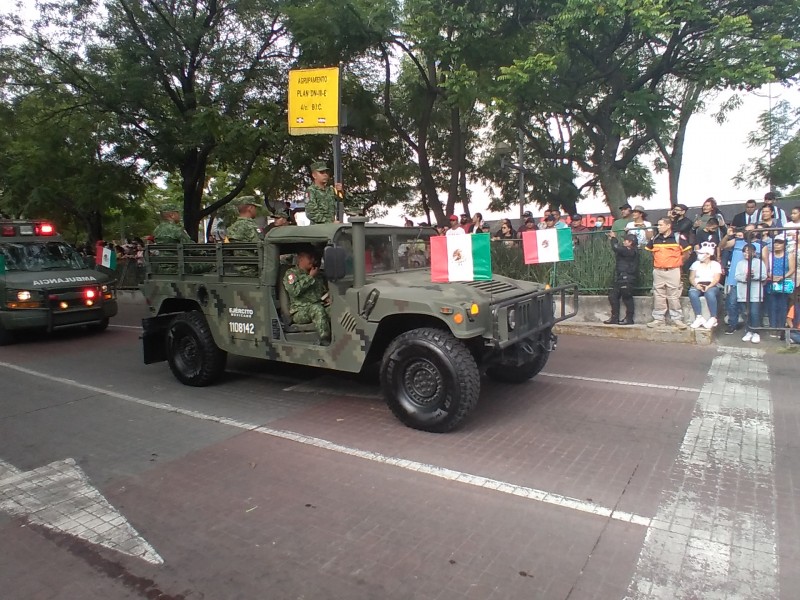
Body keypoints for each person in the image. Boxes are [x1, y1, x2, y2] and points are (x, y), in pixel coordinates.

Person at [645, 218, 691, 328]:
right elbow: (651, 251)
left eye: (661, 225)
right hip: (658, 271)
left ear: (668, 226)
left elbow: (687, 253)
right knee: (658, 295)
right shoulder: (656, 238)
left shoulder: (678, 238)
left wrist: (677, 263)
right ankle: (658, 319)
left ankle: (677, 319)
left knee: (673, 295)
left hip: (673, 270)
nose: (658, 227)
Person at [719, 223, 762, 334]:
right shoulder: (737, 242)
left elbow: (764, 262)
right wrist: (727, 236)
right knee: (732, 303)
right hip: (735, 279)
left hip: (753, 281)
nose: (747, 233)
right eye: (746, 230)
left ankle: (752, 329)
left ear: (756, 232)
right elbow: (722, 246)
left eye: (750, 231)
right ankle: (732, 325)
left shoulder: (760, 245)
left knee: (750, 308)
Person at [283, 248, 331, 345]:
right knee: (317, 309)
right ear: (300, 259)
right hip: (299, 311)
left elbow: (323, 292)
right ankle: (325, 339)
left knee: (334, 310)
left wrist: (327, 299)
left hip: (319, 306)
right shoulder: (291, 274)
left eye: (314, 257)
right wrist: (310, 277)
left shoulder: (317, 273)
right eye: (309, 257)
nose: (313, 260)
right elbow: (294, 291)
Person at [763, 234, 796, 338]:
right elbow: (766, 268)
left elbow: (792, 269)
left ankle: (780, 327)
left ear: (784, 244)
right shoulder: (770, 255)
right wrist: (770, 276)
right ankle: (773, 328)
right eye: (775, 242)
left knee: (782, 305)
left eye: (780, 242)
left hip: (784, 282)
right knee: (772, 305)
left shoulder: (789, 255)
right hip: (771, 281)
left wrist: (782, 276)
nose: (777, 244)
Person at [604, 233, 638, 325]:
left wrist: (614, 238)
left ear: (630, 242)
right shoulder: (628, 250)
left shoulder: (630, 250)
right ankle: (614, 318)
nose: (623, 242)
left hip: (627, 277)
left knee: (627, 298)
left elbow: (615, 247)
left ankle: (629, 319)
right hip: (621, 277)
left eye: (625, 240)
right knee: (613, 296)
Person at [736, 243, 767, 343]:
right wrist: (745, 278)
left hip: (755, 291)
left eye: (749, 251)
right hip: (743, 291)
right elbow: (736, 276)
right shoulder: (740, 263)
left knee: (754, 312)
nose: (746, 253)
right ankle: (748, 330)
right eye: (744, 251)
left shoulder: (759, 262)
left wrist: (754, 276)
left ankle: (756, 332)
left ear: (754, 252)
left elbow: (764, 276)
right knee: (746, 313)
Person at [226, 196, 263, 276]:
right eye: (255, 208)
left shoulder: (231, 227)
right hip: (253, 270)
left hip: (236, 269)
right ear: (250, 208)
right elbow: (261, 249)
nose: (255, 210)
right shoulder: (251, 226)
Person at [688, 248, 722, 329]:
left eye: (702, 253)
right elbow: (691, 278)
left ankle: (713, 317)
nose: (700, 255)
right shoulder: (695, 264)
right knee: (692, 293)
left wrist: (709, 286)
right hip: (698, 284)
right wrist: (696, 286)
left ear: (709, 255)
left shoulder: (715, 264)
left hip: (712, 285)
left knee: (709, 293)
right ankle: (698, 317)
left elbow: (716, 279)